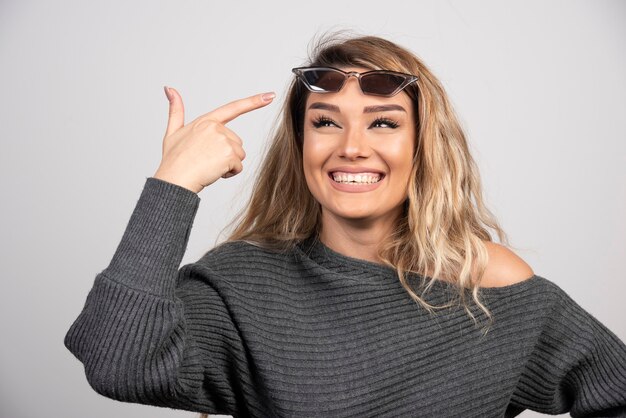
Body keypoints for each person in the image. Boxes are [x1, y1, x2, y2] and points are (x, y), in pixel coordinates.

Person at [64, 33, 626, 417]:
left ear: (421, 145)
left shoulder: (490, 285)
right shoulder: (240, 285)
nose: (352, 147)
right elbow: (118, 364)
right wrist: (173, 184)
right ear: (302, 144)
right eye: (326, 122)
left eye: (383, 123)